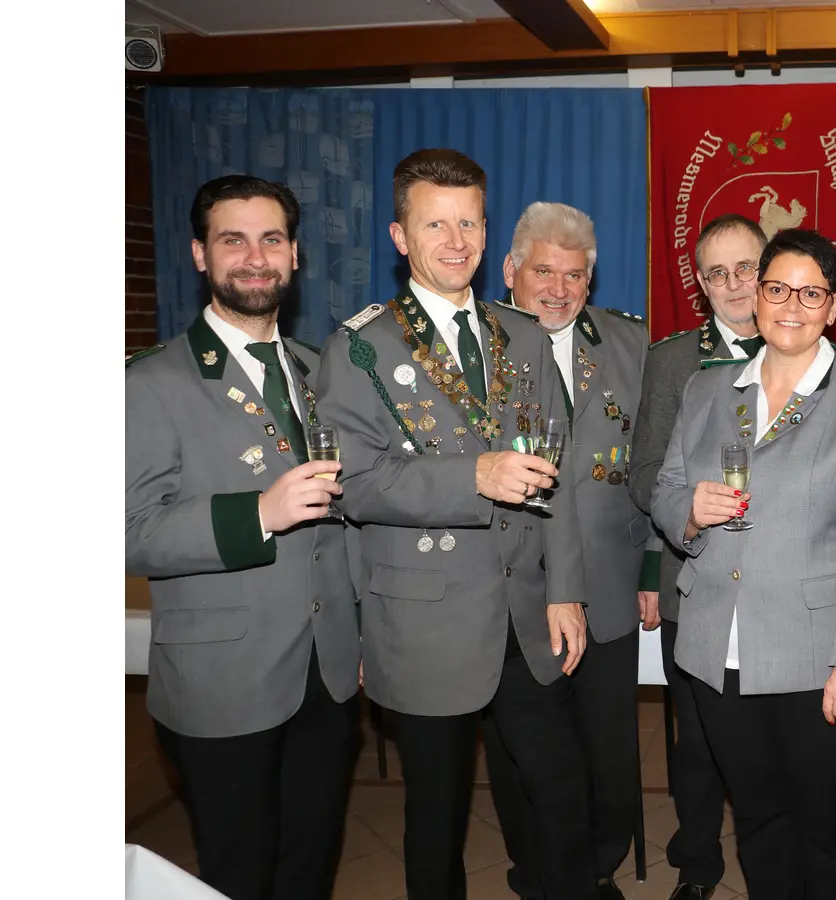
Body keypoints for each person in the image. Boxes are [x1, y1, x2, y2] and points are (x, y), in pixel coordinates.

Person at [314, 148, 597, 900]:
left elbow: (555, 476)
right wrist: (472, 477)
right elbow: (355, 481)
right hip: (425, 619)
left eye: (468, 221)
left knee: (563, 793)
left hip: (525, 612)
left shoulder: (524, 335)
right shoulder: (361, 349)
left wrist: (565, 589)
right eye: (434, 223)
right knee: (435, 819)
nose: (456, 240)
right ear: (401, 236)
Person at [651, 228, 836, 900]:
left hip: (819, 660)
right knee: (760, 822)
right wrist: (689, 510)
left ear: (832, 306)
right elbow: (664, 488)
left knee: (829, 833)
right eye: (776, 288)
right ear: (757, 295)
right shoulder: (709, 389)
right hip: (720, 654)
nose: (790, 305)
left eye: (810, 292)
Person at [125, 175, 359, 900]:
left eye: (271, 240)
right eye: (233, 240)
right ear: (200, 254)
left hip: (326, 676)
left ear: (293, 256)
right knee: (241, 877)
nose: (255, 258)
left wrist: (358, 637)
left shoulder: (324, 371)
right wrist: (256, 513)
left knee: (310, 866)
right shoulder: (148, 382)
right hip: (222, 687)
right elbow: (128, 532)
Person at [484, 201, 650, 900]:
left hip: (607, 585)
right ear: (510, 271)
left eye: (574, 275)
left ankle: (597, 867)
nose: (557, 288)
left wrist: (653, 567)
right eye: (543, 271)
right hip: (509, 590)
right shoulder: (475, 346)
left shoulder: (631, 344)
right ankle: (540, 872)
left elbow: (653, 464)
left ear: (592, 280)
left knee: (608, 752)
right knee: (525, 757)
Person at [628, 213, 767, 898]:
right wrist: (660, 558)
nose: (735, 283)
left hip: (786, 588)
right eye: (718, 272)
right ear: (701, 285)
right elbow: (646, 467)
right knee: (700, 745)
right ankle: (698, 865)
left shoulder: (810, 349)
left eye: (747, 267)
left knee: (779, 742)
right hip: (698, 577)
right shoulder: (674, 359)